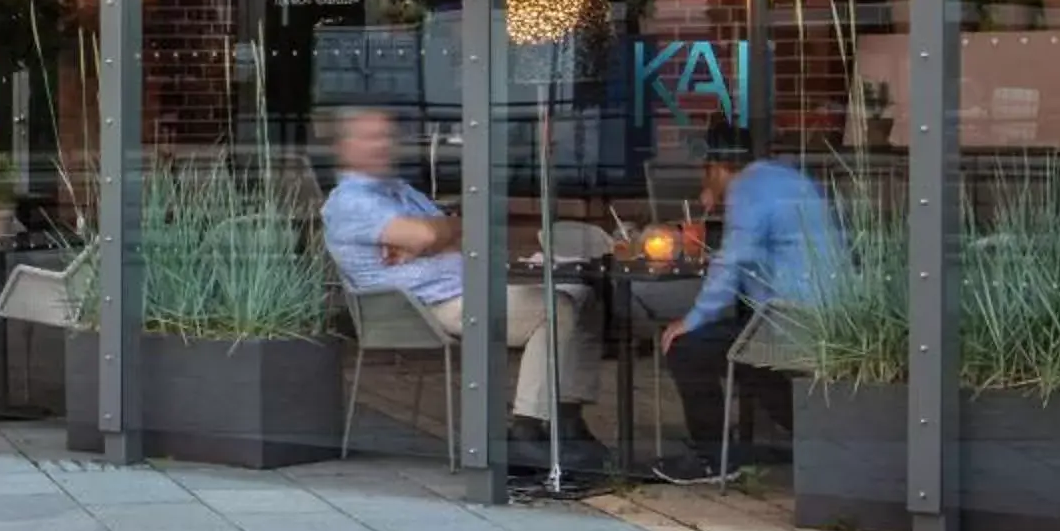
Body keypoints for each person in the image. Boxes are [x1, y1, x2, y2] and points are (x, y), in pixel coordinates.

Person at [320, 108, 601, 473]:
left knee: (584, 295)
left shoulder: (399, 190)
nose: (383, 144)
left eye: (387, 135)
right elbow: (429, 235)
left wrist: (436, 234)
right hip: (429, 307)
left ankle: (566, 420)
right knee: (556, 306)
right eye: (370, 137)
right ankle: (526, 433)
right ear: (346, 147)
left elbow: (464, 228)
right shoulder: (351, 201)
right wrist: (432, 235)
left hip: (465, 290)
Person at [657, 119, 838, 477]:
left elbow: (731, 264)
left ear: (717, 168)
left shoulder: (747, 189)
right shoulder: (784, 177)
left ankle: (711, 459)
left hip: (791, 317)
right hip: (828, 312)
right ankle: (820, 442)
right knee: (752, 360)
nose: (702, 183)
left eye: (704, 173)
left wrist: (690, 320)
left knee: (686, 347)